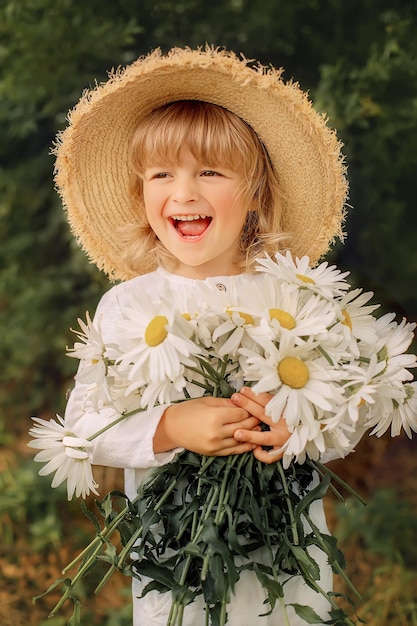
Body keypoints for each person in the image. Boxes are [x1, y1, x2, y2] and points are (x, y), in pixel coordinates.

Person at [55, 47, 350, 625]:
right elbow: (82, 430)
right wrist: (170, 426)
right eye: (162, 174)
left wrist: (301, 428)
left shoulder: (294, 297)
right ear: (141, 190)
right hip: (178, 557)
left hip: (285, 553)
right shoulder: (130, 306)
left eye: (210, 172)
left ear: (257, 191)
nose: (184, 193)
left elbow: (347, 410)